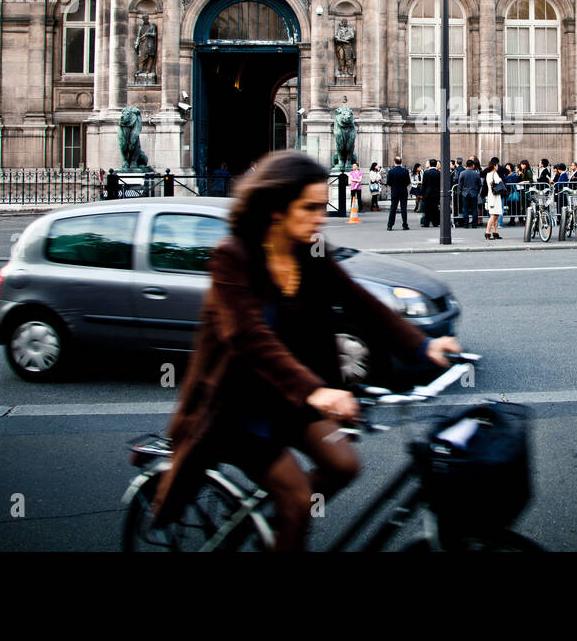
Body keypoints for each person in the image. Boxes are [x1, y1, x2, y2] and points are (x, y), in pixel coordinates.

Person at [149, 151, 462, 552]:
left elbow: (357, 300)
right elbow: (248, 336)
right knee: (298, 499)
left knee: (343, 465)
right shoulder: (234, 256)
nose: (320, 216)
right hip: (240, 406)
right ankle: (289, 519)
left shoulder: (309, 251)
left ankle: (275, 527)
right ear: (277, 209)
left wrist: (423, 345)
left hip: (290, 398)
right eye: (310, 207)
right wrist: (315, 390)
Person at [385, 156, 411, 231]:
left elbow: (388, 182)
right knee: (404, 208)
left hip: (395, 191)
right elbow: (408, 182)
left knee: (393, 208)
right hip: (403, 191)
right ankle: (405, 224)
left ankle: (390, 225)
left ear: (394, 162)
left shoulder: (391, 171)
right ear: (401, 162)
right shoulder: (405, 171)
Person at [457, 158, 482, 228]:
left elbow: (460, 184)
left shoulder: (462, 173)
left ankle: (466, 224)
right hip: (474, 193)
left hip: (465, 193)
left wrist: (460, 192)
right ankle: (474, 224)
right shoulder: (476, 174)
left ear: (466, 165)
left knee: (465, 209)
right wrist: (477, 192)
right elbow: (480, 184)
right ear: (473, 165)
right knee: (474, 209)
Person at [483, 159, 504, 240]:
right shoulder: (494, 174)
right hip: (495, 196)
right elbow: (498, 181)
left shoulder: (488, 174)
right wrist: (501, 179)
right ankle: (487, 232)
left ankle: (495, 232)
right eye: (497, 165)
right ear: (494, 166)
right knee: (494, 215)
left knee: (495, 215)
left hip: (491, 195)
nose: (498, 166)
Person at [421, 159, 441, 228]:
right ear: (436, 164)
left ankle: (426, 223)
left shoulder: (426, 173)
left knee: (427, 208)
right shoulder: (439, 173)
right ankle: (435, 222)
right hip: (436, 193)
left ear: (430, 164)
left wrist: (422, 194)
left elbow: (424, 184)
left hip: (428, 193)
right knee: (435, 208)